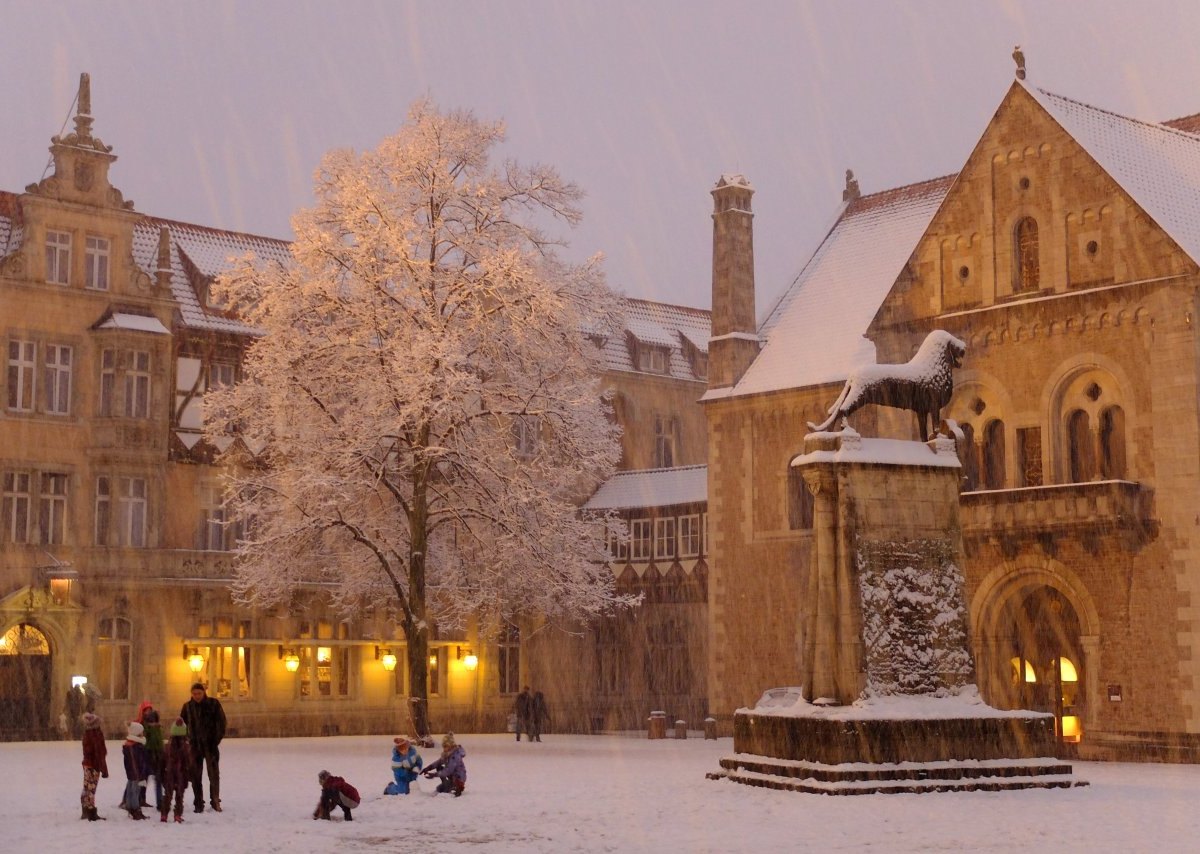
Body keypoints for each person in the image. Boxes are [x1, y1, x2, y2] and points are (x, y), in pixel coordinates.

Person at [179, 681, 226, 813]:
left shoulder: (213, 704)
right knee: (195, 775)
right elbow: (182, 725)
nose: (197, 696)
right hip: (195, 746)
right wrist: (187, 740)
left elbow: (221, 723)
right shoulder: (187, 707)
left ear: (204, 692)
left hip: (211, 745)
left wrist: (215, 739)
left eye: (199, 693)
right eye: (194, 694)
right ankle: (198, 802)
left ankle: (215, 800)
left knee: (214, 775)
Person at [159, 717, 193, 823]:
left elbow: (162, 762)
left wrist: (161, 774)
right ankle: (177, 815)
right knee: (179, 796)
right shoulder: (186, 748)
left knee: (167, 796)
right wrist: (189, 775)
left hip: (168, 775)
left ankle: (164, 814)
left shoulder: (167, 747)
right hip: (181, 775)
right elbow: (189, 763)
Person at [80, 711, 108, 821]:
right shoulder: (95, 735)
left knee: (87, 787)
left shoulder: (87, 734)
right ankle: (91, 812)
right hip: (93, 764)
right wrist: (100, 766)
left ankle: (85, 809)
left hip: (87, 763)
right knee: (91, 788)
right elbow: (98, 752)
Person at [120, 720, 151, 820]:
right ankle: (135, 809)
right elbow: (137, 762)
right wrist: (141, 775)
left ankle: (130, 806)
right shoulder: (135, 747)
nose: (143, 734)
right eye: (141, 732)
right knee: (135, 791)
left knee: (131, 788)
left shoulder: (130, 745)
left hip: (132, 772)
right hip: (136, 773)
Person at [138, 700, 164, 812]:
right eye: (146, 710)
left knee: (157, 780)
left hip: (156, 755)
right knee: (143, 778)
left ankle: (159, 802)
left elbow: (159, 741)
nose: (148, 712)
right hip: (147, 754)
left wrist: (161, 752)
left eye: (149, 710)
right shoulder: (142, 726)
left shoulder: (156, 728)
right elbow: (145, 740)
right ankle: (139, 799)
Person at [422, 732, 467, 797]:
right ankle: (447, 784)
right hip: (453, 776)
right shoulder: (447, 754)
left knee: (439, 788)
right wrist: (428, 768)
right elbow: (438, 762)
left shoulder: (455, 756)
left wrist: (434, 774)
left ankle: (457, 787)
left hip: (458, 779)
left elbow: (448, 771)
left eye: (446, 746)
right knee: (439, 767)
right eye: (443, 746)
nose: (444, 748)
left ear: (451, 745)